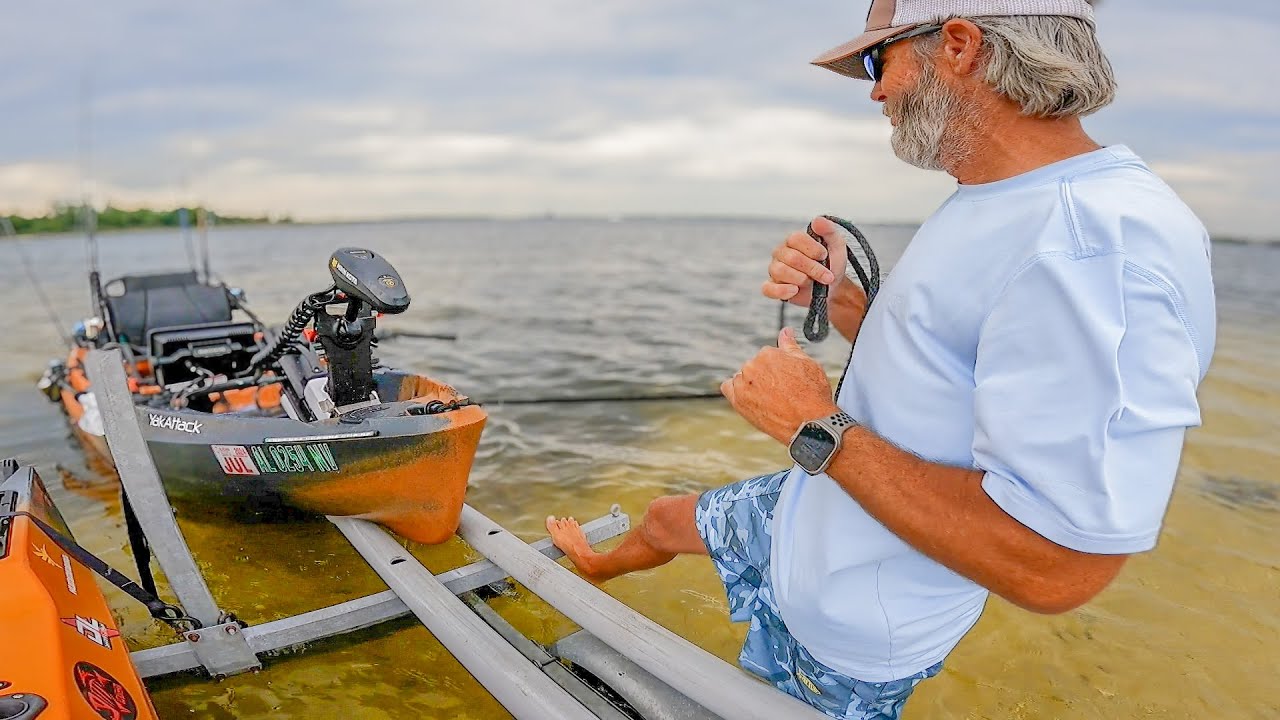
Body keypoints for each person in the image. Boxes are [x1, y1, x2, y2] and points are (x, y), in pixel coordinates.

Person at [547, 0, 1217, 717]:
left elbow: (1056, 567)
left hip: (855, 634)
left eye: (878, 61)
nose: (874, 91)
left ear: (959, 46)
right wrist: (842, 303)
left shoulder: (1096, 249)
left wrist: (813, 423)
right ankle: (589, 567)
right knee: (661, 519)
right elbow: (948, 370)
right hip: (818, 513)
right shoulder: (1000, 197)